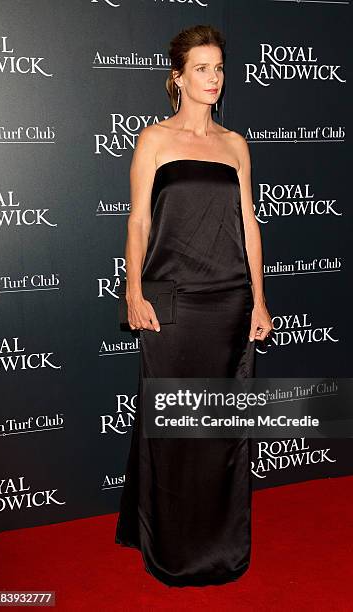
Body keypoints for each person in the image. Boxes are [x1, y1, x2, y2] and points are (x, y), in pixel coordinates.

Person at [115, 24, 273, 588]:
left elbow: (249, 224)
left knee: (220, 430)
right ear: (177, 77)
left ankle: (220, 545)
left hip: (229, 299)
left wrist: (259, 299)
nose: (214, 79)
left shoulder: (235, 144)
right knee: (174, 426)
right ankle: (169, 544)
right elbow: (139, 222)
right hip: (172, 302)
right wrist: (133, 291)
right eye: (202, 68)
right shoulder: (153, 140)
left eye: (220, 68)